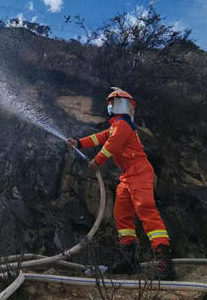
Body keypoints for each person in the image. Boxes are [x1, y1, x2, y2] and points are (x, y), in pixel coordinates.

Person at [67, 88, 175, 280]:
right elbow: (100, 137)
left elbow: (112, 145)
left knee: (146, 210)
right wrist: (79, 143)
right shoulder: (115, 126)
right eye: (110, 103)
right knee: (121, 214)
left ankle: (164, 260)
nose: (111, 106)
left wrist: (97, 161)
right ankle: (129, 260)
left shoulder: (124, 124)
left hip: (139, 171)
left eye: (114, 103)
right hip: (127, 175)